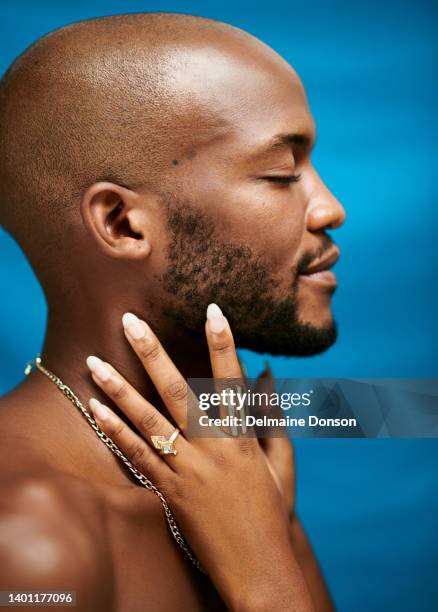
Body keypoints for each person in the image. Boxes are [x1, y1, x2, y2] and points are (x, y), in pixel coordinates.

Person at [0, 12, 345, 611]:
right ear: (122, 223)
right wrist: (265, 576)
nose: (330, 209)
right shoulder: (28, 543)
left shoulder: (244, 468)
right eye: (282, 172)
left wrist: (280, 536)